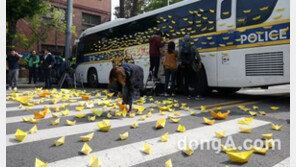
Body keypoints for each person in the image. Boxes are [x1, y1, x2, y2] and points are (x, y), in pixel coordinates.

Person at [179, 35, 203, 100]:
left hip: (185, 66)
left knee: (186, 80)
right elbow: (197, 54)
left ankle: (188, 95)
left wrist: (181, 63)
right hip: (192, 66)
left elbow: (179, 57)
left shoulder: (181, 47)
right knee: (195, 80)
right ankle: (196, 95)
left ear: (184, 40)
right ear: (190, 40)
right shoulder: (192, 47)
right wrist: (199, 62)